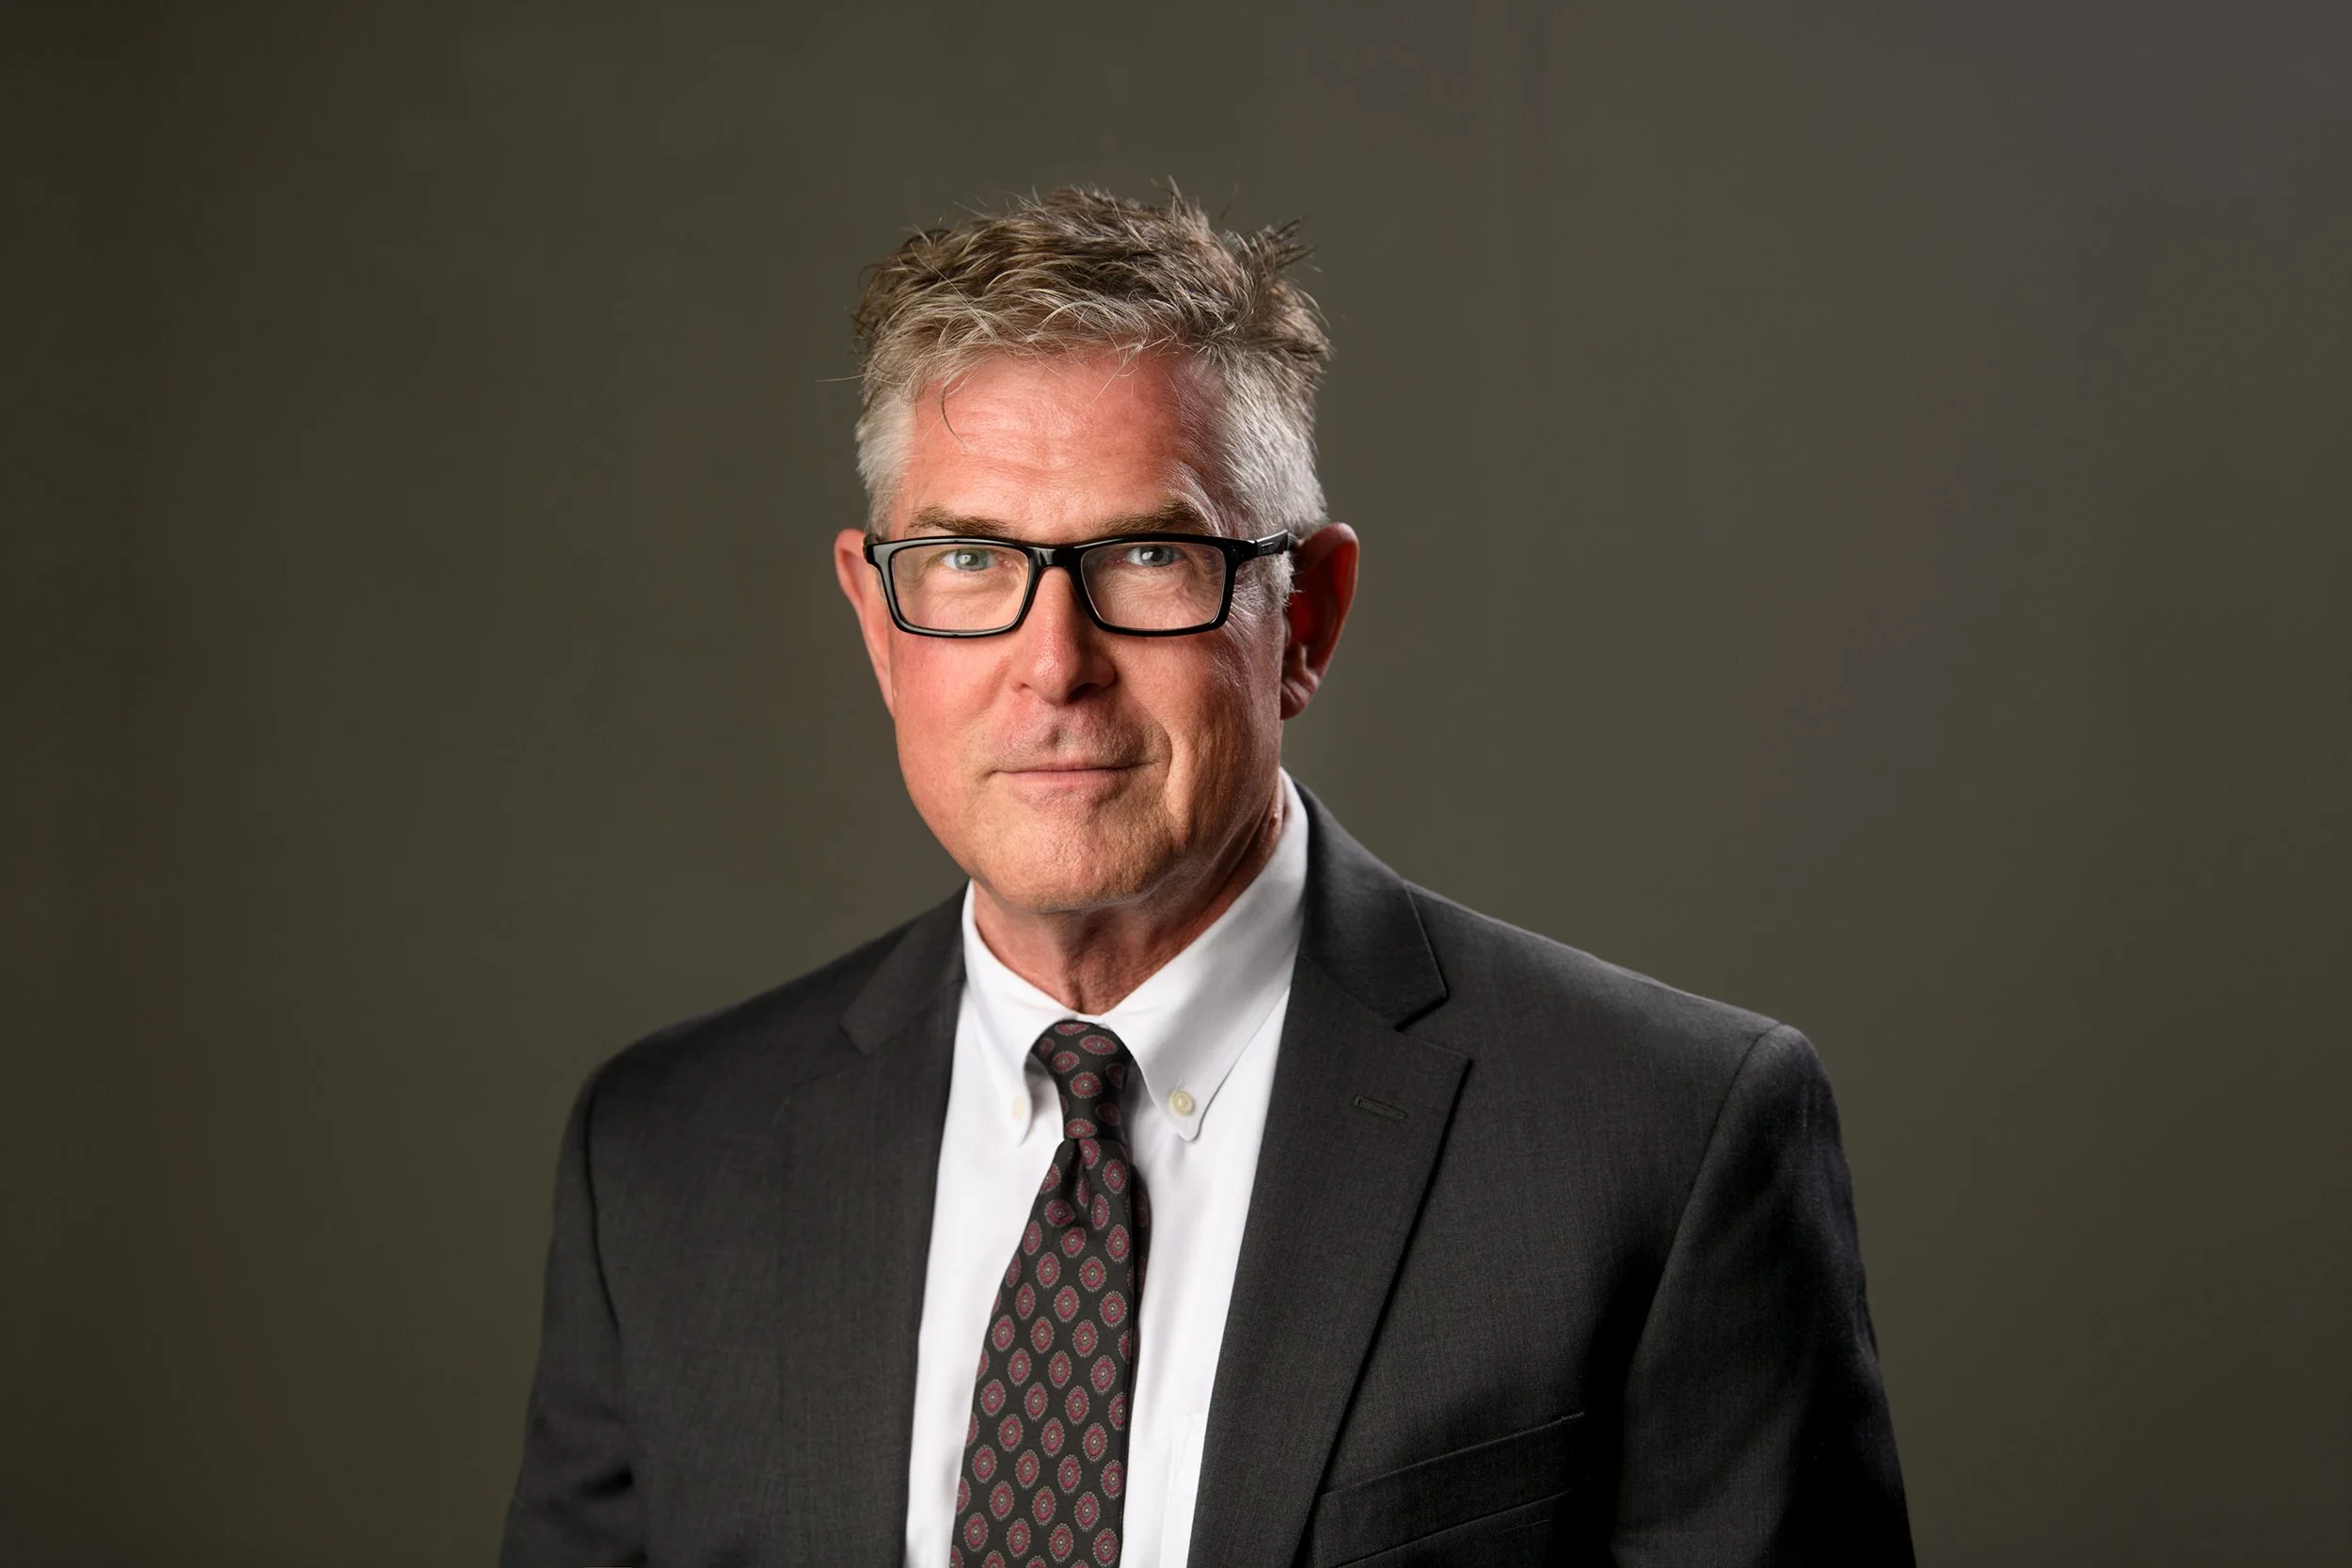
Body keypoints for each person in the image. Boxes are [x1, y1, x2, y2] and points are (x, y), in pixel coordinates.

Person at [501, 188, 1912, 1568]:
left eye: (1149, 555)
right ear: (881, 623)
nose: (1054, 665)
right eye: (971, 559)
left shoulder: (1658, 1142)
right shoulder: (666, 1162)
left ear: (1307, 615)